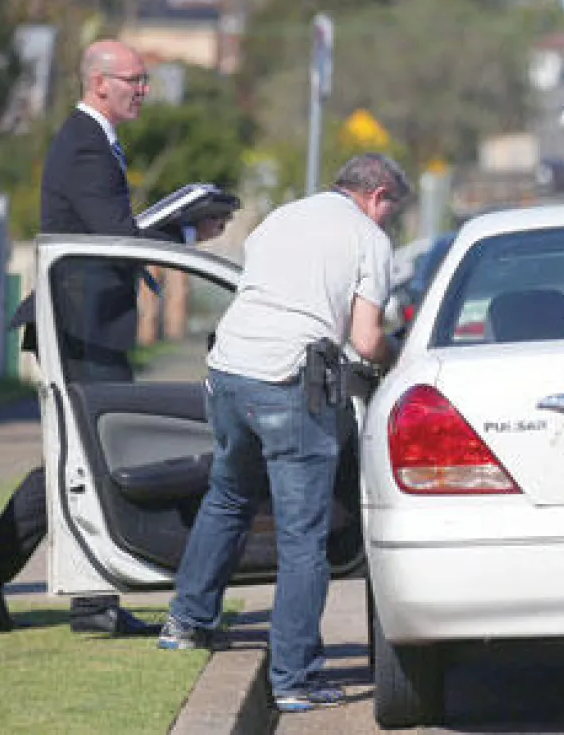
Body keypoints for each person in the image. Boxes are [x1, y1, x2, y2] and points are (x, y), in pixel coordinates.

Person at [0, 39, 224, 636]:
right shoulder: (84, 144)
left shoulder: (95, 142)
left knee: (69, 461)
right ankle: (86, 602)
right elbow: (115, 239)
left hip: (86, 324)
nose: (144, 90)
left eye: (145, 80)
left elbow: (111, 232)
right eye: (135, 79)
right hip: (77, 325)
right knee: (91, 458)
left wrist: (180, 224)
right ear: (100, 83)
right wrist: (183, 228)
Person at [157, 153, 407, 713]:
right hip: (288, 380)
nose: (389, 219)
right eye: (392, 209)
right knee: (302, 535)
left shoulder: (284, 217)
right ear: (379, 196)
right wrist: (400, 354)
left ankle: (187, 621)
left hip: (228, 370)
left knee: (228, 496)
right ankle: (294, 677)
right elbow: (366, 341)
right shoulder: (368, 238)